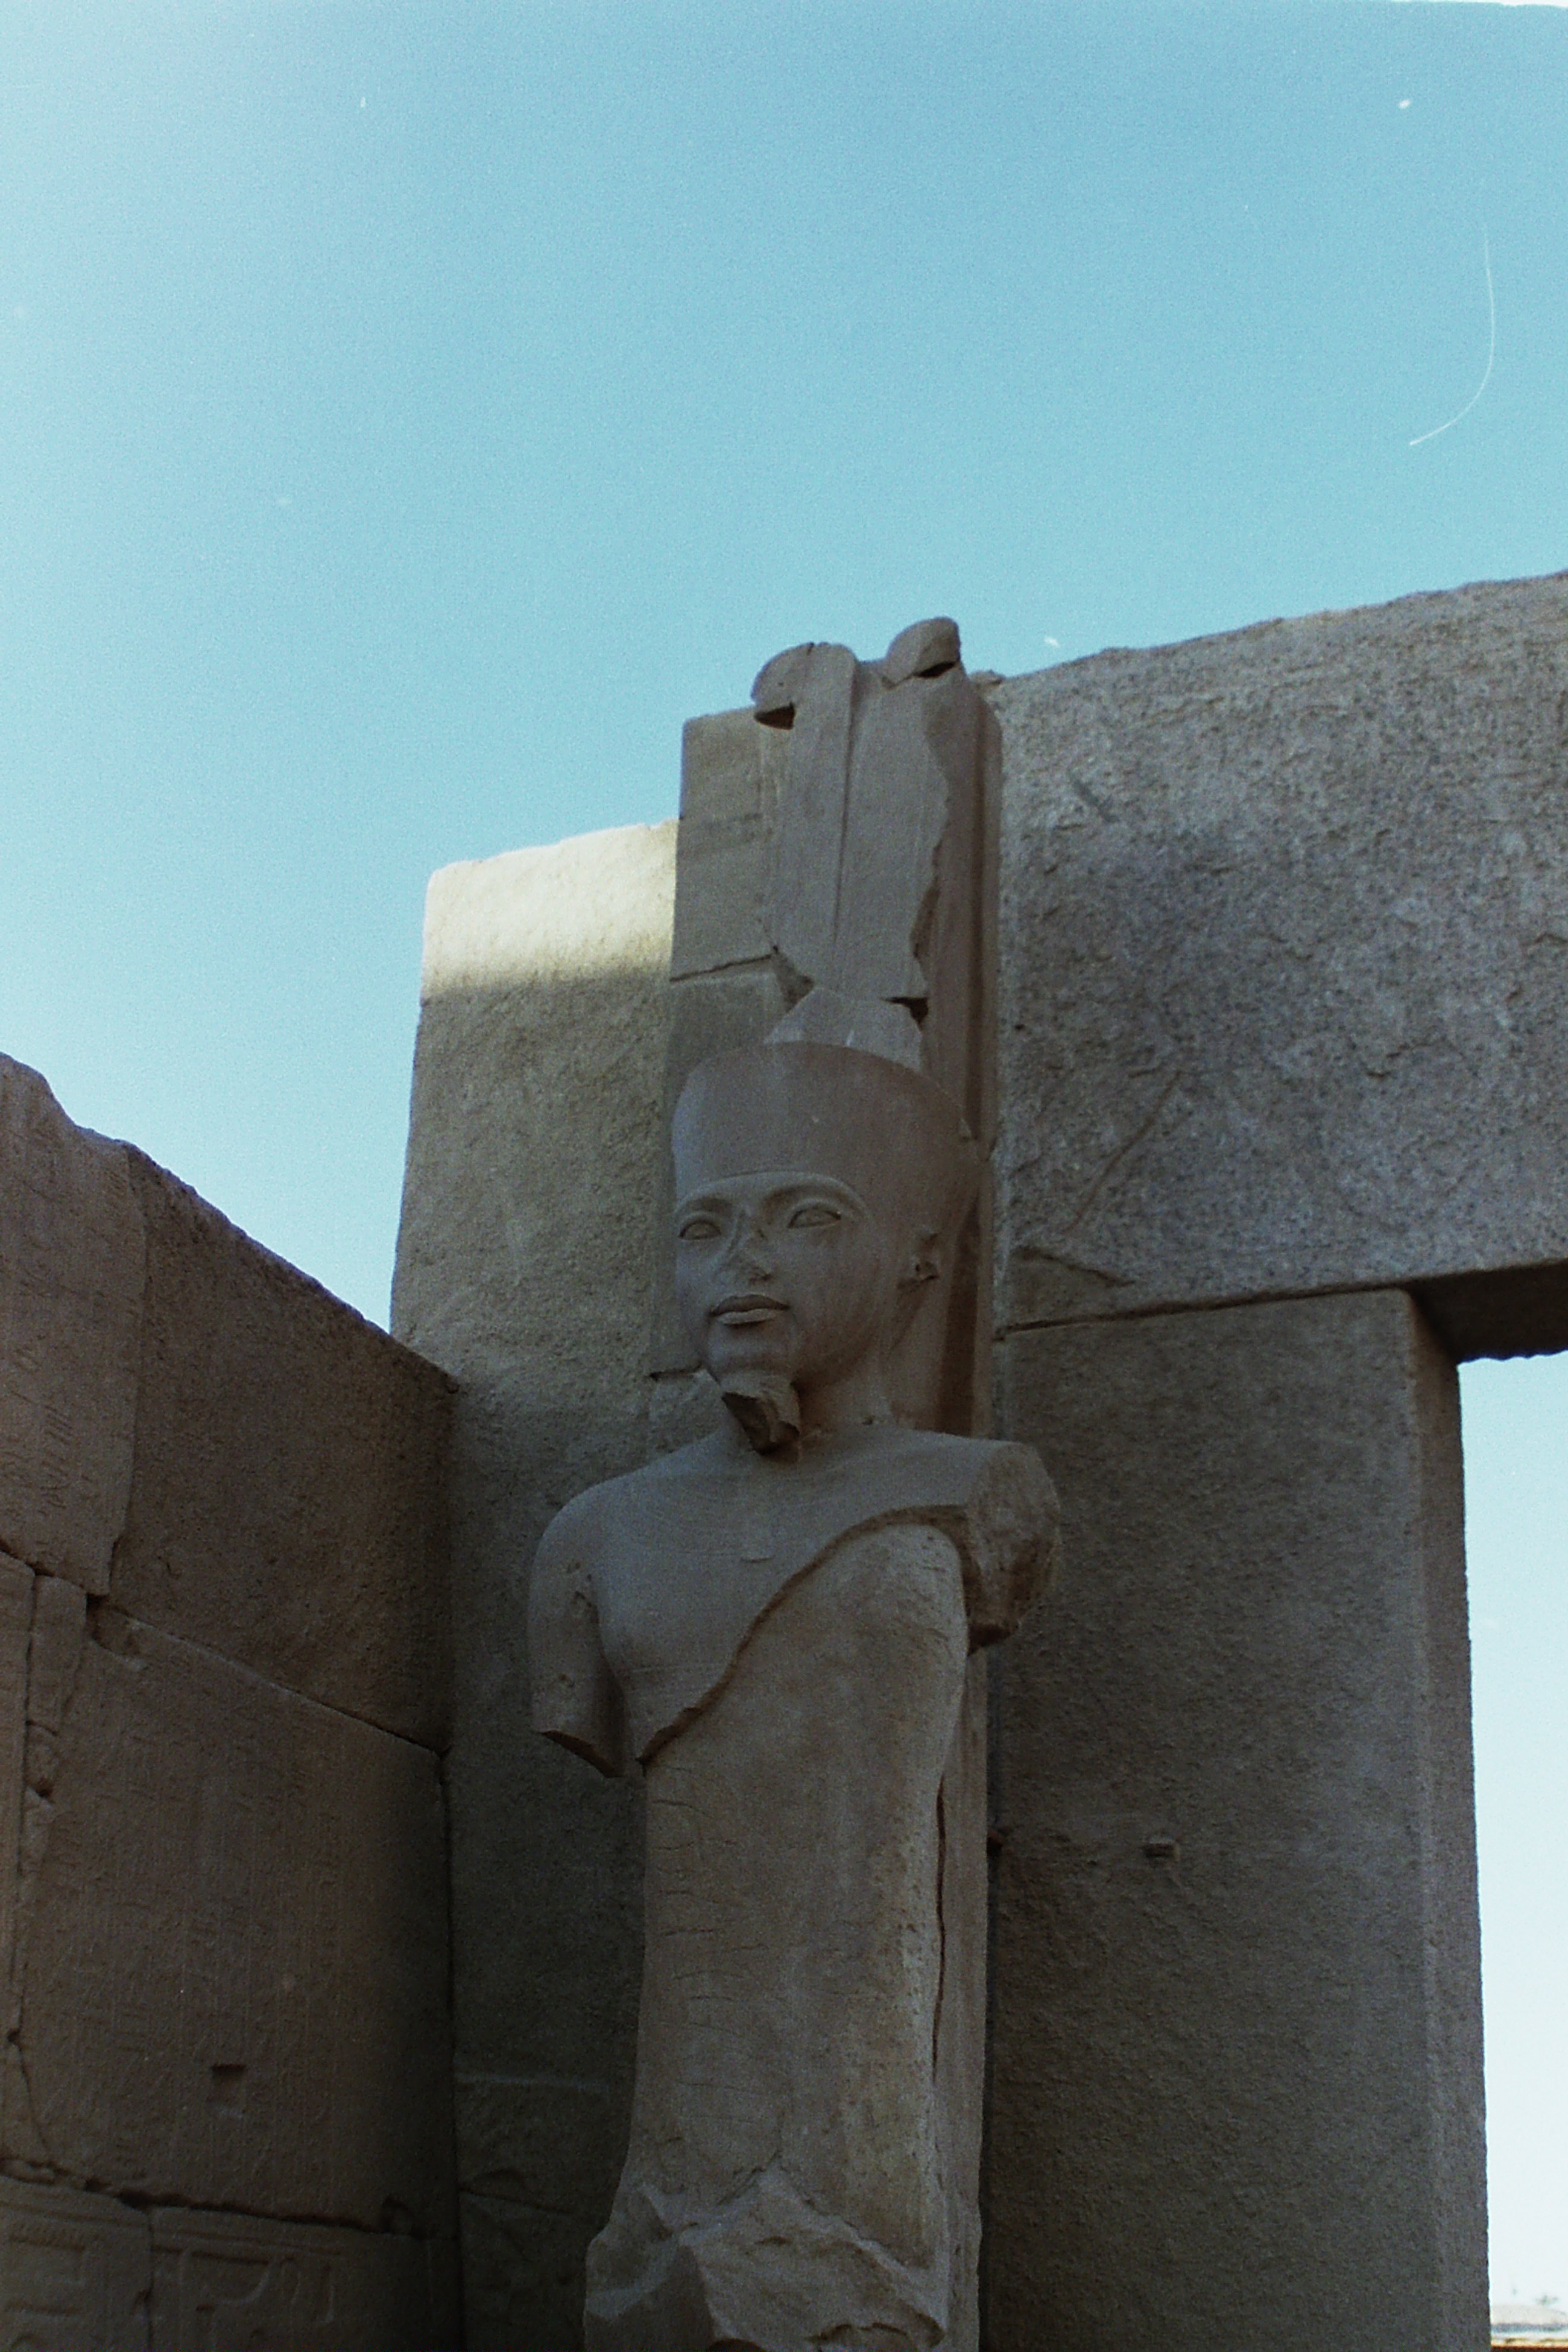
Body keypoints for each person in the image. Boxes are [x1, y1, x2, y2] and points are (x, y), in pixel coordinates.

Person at [530, 1038, 1057, 2352]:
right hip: (683, 2133)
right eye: (705, 1230)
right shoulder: (594, 1535)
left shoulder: (980, 1490)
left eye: (805, 1219)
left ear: (917, 1261)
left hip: (870, 2144)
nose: (745, 1264)